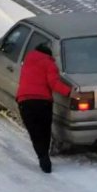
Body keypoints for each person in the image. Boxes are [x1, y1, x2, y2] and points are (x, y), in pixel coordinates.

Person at [16, 43, 72, 173]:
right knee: (44, 131)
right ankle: (45, 157)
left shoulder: (27, 62)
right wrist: (69, 92)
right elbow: (54, 83)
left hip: (24, 101)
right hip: (42, 102)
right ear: (48, 54)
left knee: (34, 132)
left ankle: (42, 157)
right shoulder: (49, 64)